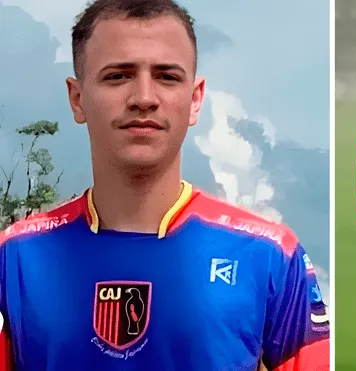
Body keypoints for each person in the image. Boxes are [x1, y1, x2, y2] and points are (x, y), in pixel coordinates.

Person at [0, 1, 329, 370]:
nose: (144, 98)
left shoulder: (270, 255)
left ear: (195, 99)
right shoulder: (15, 258)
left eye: (167, 76)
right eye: (118, 76)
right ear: (77, 99)